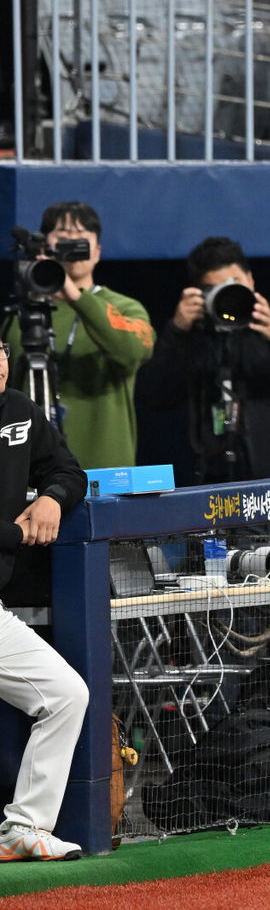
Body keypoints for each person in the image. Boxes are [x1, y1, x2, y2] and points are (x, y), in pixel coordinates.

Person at [140, 236, 270, 482]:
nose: (228, 295)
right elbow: (155, 395)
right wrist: (177, 331)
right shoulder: (195, 337)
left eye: (235, 284)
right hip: (221, 489)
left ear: (251, 280)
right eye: (215, 290)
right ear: (200, 294)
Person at [0, 344, 89, 862]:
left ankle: (24, 827)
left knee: (64, 694)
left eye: (2, 352)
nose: (1, 365)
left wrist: (52, 495)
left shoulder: (18, 411)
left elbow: (70, 470)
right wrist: (12, 534)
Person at [5, 201, 155, 472]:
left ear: (97, 252)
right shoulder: (20, 316)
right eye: (62, 236)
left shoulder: (124, 308)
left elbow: (135, 350)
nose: (71, 245)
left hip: (107, 476)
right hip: (29, 478)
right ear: (43, 247)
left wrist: (73, 294)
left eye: (81, 238)